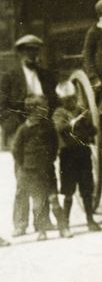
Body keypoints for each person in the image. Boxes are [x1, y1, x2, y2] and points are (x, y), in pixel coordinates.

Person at [2, 34, 58, 234]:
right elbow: (2, 108)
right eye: (27, 51)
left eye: (34, 50)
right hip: (21, 132)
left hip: (42, 132)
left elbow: (55, 103)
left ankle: (43, 221)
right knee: (23, 178)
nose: (31, 54)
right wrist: (19, 127)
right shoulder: (9, 77)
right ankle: (20, 223)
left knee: (45, 174)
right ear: (20, 53)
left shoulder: (46, 76)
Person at [11, 95, 71, 240]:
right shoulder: (24, 129)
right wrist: (24, 163)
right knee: (39, 203)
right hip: (31, 172)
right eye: (43, 107)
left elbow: (54, 143)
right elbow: (16, 149)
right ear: (32, 110)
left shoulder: (49, 126)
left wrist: (50, 158)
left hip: (47, 170)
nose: (46, 110)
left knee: (54, 200)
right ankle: (41, 231)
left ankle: (64, 228)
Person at [53, 82, 101, 233]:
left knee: (86, 189)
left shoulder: (81, 110)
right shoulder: (59, 112)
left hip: (83, 153)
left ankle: (90, 220)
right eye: (66, 99)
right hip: (68, 155)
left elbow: (93, 130)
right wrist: (74, 122)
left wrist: (86, 124)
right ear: (62, 100)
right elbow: (59, 127)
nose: (70, 102)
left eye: (72, 98)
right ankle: (66, 222)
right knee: (68, 190)